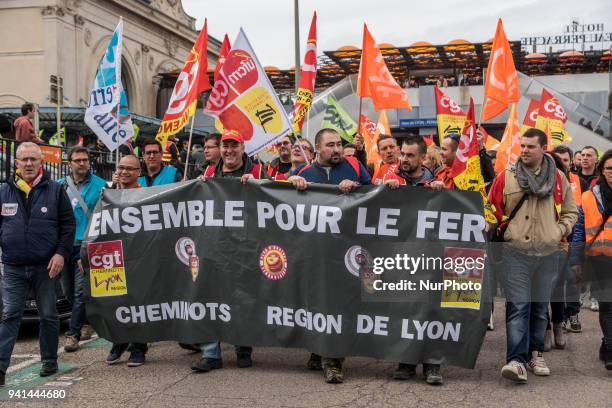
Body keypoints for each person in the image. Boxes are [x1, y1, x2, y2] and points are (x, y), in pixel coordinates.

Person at [488, 128, 578, 383]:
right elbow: (491, 208)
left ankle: (535, 354)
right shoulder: (506, 176)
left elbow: (572, 212)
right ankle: (516, 360)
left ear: (543, 148)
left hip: (548, 253)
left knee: (539, 308)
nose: (524, 150)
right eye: (522, 146)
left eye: (530, 146)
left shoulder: (559, 179)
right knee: (518, 306)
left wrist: (559, 230)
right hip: (514, 252)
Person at [287, 128, 371, 384]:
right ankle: (318, 349)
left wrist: (356, 188)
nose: (336, 149)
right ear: (318, 149)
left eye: (339, 144)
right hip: (316, 251)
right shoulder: (303, 173)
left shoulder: (355, 167)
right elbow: (285, 205)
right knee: (317, 300)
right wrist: (292, 186)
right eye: (330, 145)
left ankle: (333, 360)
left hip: (347, 250)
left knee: (338, 303)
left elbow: (375, 196)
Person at [0, 142, 75, 386]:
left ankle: (50, 360)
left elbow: (68, 225)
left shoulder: (55, 190)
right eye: (24, 159)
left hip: (47, 266)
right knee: (10, 315)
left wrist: (61, 253)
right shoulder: (4, 191)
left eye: (34, 159)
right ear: (17, 163)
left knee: (49, 315)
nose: (29, 163)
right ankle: (0, 369)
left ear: (41, 162)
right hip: (13, 266)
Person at [192, 130, 265, 374]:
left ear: (243, 148)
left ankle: (243, 347)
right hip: (215, 247)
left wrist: (260, 186)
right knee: (210, 296)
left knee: (243, 298)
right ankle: (211, 354)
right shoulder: (208, 173)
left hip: (247, 248)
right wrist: (199, 188)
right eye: (226, 146)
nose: (229, 150)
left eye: (234, 146)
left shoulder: (258, 172)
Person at [57, 146, 106, 352]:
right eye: (77, 160)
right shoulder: (59, 186)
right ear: (70, 163)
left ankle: (72, 334)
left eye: (85, 160)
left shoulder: (101, 185)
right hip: (64, 245)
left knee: (79, 291)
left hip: (87, 244)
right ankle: (86, 321)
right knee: (68, 291)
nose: (82, 163)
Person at [106, 155, 150, 367]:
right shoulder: (108, 193)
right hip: (112, 254)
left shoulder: (146, 195)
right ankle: (119, 340)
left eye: (129, 169)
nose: (124, 172)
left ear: (138, 172)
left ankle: (139, 348)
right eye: (121, 168)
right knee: (114, 300)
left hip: (138, 257)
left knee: (138, 302)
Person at [570, 149, 612, 370]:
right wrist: (575, 260)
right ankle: (611, 352)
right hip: (601, 260)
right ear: (602, 170)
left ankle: (607, 345)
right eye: (609, 168)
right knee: (607, 306)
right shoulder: (589, 197)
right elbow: (578, 231)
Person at [547, 146, 582, 339]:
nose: (561, 163)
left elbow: (581, 215)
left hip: (571, 241)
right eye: (558, 159)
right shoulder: (544, 182)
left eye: (565, 160)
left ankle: (563, 320)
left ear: (571, 162)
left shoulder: (577, 182)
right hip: (551, 242)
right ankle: (545, 329)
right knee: (546, 288)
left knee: (566, 283)